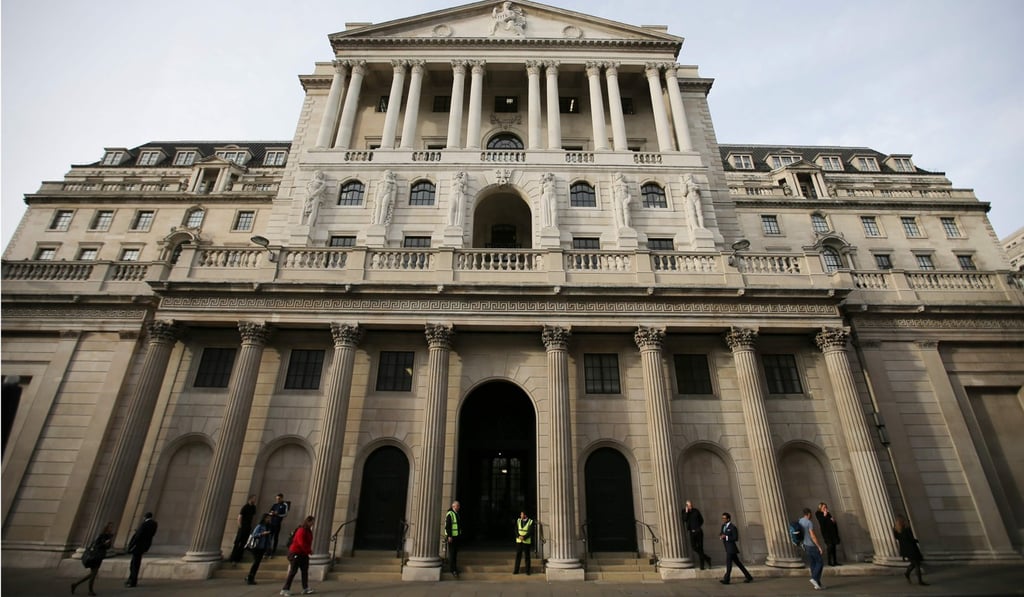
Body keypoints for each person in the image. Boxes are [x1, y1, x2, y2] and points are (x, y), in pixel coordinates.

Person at [72, 522, 114, 596]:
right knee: (93, 574)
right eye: (110, 527)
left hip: (99, 556)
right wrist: (104, 543)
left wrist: (108, 543)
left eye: (112, 527)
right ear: (106, 528)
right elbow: (96, 545)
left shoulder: (108, 536)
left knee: (93, 574)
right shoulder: (102, 535)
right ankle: (88, 590)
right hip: (95, 556)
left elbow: (107, 547)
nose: (111, 529)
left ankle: (77, 585)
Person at [280, 515, 315, 596]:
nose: (313, 524)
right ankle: (285, 589)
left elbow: (307, 542)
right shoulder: (301, 530)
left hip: (303, 554)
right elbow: (301, 543)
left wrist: (308, 551)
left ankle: (305, 588)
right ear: (308, 521)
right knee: (293, 571)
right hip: (296, 553)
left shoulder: (308, 531)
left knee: (304, 571)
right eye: (312, 522)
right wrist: (309, 551)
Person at [125, 512, 158, 587]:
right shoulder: (154, 524)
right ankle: (131, 579)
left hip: (138, 546)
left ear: (145, 517)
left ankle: (132, 581)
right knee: (136, 563)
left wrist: (131, 545)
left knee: (134, 564)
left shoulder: (144, 524)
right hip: (145, 546)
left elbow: (138, 536)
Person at [718, 512, 752, 585]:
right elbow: (722, 533)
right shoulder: (723, 526)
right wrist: (721, 535)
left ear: (728, 519)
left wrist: (726, 537)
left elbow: (735, 538)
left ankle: (726, 579)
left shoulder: (733, 527)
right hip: (727, 548)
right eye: (722, 518)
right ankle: (748, 576)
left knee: (728, 563)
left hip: (731, 548)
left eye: (724, 518)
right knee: (738, 563)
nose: (723, 519)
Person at [893, 514, 928, 586]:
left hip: (905, 549)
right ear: (903, 521)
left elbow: (897, 538)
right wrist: (917, 541)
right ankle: (920, 581)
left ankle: (907, 574)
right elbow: (911, 539)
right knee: (917, 564)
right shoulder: (907, 529)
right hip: (912, 548)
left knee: (914, 563)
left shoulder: (895, 530)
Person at [800, 507, 825, 590]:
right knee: (820, 562)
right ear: (809, 514)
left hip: (805, 545)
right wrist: (819, 546)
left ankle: (817, 584)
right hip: (811, 545)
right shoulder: (809, 522)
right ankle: (814, 578)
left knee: (813, 563)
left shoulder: (800, 521)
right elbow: (813, 536)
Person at [245, 514, 273, 585]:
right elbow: (254, 534)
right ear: (264, 519)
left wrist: (269, 547)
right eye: (268, 518)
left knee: (257, 563)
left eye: (269, 518)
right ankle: (250, 577)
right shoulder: (260, 526)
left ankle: (250, 576)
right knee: (256, 562)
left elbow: (269, 539)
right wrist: (262, 534)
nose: (269, 520)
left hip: (263, 547)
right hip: (257, 547)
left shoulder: (268, 527)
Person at [683, 500, 711, 570]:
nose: (690, 506)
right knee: (694, 547)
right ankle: (707, 558)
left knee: (701, 548)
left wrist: (698, 527)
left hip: (698, 531)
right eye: (688, 505)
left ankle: (702, 566)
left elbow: (701, 520)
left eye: (691, 505)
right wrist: (686, 512)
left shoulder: (696, 511)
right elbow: (684, 519)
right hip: (692, 532)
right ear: (686, 506)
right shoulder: (684, 511)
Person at [230, 494, 258, 564]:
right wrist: (240, 525)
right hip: (243, 526)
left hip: (248, 526)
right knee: (238, 542)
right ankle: (233, 557)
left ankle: (239, 557)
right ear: (250, 499)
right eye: (254, 499)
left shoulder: (253, 507)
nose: (254, 500)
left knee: (244, 542)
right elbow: (240, 516)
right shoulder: (245, 507)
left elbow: (253, 517)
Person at [816, 502, 841, 566]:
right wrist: (824, 515)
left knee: (834, 546)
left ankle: (835, 561)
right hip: (826, 533)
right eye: (824, 507)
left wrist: (833, 521)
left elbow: (832, 522)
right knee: (829, 546)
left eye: (826, 507)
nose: (825, 509)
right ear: (820, 508)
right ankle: (829, 562)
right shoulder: (818, 514)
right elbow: (821, 522)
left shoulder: (828, 514)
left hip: (832, 533)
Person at [268, 493, 289, 558]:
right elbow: (269, 512)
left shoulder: (284, 505)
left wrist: (278, 514)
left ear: (282, 498)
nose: (277, 500)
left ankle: (273, 551)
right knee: (269, 537)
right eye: (277, 499)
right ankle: (267, 551)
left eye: (279, 499)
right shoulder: (275, 505)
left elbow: (285, 514)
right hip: (272, 523)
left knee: (275, 537)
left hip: (277, 523)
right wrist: (272, 513)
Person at [513, 510, 534, 575]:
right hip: (519, 541)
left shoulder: (530, 521)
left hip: (526, 541)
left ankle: (528, 571)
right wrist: (518, 536)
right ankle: (516, 570)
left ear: (525, 515)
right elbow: (516, 529)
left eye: (521, 514)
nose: (520, 515)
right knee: (518, 556)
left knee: (527, 556)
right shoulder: (518, 520)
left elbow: (531, 531)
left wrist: (524, 537)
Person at [445, 500, 462, 578]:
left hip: (456, 537)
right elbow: (448, 526)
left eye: (459, 505)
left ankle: (455, 568)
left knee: (455, 553)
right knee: (452, 554)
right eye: (457, 506)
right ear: (453, 506)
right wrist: (449, 536)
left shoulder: (456, 513)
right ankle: (453, 570)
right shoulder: (450, 514)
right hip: (452, 537)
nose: (459, 507)